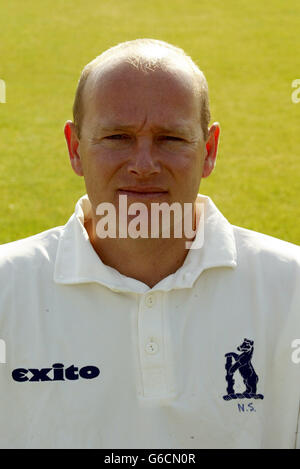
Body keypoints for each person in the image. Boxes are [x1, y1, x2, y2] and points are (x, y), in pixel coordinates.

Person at [0, 38, 299, 449]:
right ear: (75, 149)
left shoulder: (292, 288)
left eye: (171, 139)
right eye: (118, 137)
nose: (143, 165)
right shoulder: (6, 289)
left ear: (209, 151)